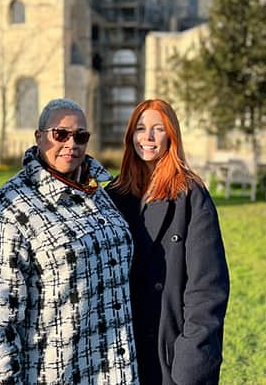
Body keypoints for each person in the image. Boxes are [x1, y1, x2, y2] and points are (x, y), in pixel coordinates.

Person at [0, 98, 139, 384]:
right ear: (39, 137)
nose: (72, 143)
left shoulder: (96, 191)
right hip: (56, 373)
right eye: (61, 134)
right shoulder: (12, 208)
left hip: (116, 370)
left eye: (81, 136)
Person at [106, 99, 230, 385]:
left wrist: (191, 364)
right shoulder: (113, 195)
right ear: (130, 136)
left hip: (170, 351)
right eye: (140, 128)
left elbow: (207, 289)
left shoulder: (191, 195)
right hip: (120, 352)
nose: (147, 138)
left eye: (158, 129)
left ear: (171, 136)